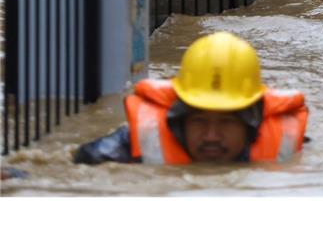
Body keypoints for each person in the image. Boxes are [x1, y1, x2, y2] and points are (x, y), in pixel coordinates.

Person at [74, 31, 309, 165]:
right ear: (180, 117)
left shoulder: (286, 141)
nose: (211, 136)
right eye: (199, 121)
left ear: (251, 120)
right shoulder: (120, 148)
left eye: (226, 121)